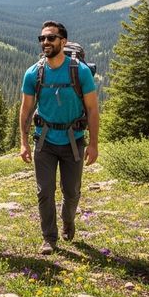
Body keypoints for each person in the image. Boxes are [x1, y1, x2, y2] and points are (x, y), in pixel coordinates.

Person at [19, 21, 99, 254]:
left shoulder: (80, 72)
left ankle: (68, 221)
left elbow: (92, 109)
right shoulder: (33, 73)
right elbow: (25, 110)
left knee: (71, 192)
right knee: (44, 191)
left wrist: (94, 144)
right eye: (42, 38)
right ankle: (49, 238)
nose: (45, 42)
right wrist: (23, 142)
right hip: (44, 140)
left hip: (74, 140)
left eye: (51, 38)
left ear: (63, 42)